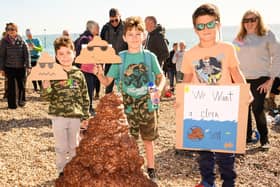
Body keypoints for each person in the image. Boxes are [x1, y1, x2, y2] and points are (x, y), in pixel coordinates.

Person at [181, 4, 249, 187]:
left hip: (224, 110)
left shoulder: (227, 49)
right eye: (201, 26)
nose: (206, 29)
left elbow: (236, 72)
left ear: (218, 25)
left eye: (210, 24)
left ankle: (228, 182)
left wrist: (245, 92)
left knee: (226, 151)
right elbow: (186, 81)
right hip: (201, 111)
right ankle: (207, 182)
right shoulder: (190, 54)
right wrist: (181, 102)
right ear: (195, 29)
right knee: (204, 152)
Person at [94, 16, 166, 182]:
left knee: (148, 139)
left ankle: (151, 169)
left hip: (148, 104)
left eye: (137, 33)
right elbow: (107, 82)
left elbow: (161, 77)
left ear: (144, 36)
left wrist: (159, 89)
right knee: (128, 141)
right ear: (124, 37)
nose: (134, 37)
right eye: (130, 34)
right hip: (127, 106)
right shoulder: (120, 58)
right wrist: (99, 74)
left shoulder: (150, 57)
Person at [41, 36, 90, 176]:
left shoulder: (78, 74)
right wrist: (46, 87)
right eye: (61, 54)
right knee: (61, 147)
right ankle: (62, 171)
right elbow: (46, 97)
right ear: (56, 56)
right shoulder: (53, 73)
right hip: (58, 116)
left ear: (74, 53)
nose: (65, 57)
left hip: (75, 117)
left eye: (68, 53)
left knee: (75, 146)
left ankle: (74, 170)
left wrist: (86, 116)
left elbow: (85, 96)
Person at [233, 9, 280, 149]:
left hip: (261, 79)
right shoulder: (240, 38)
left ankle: (264, 140)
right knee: (244, 108)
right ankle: (247, 137)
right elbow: (231, 56)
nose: (249, 23)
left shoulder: (267, 35)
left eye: (252, 19)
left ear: (259, 20)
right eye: (246, 20)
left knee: (258, 108)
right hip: (241, 78)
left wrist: (270, 80)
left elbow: (277, 57)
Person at [0, 23, 30, 109]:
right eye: (8, 29)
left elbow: (27, 55)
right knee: (11, 87)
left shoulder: (22, 41)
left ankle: (21, 102)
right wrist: (1, 69)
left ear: (16, 30)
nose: (10, 31)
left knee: (22, 86)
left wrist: (28, 66)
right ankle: (12, 105)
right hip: (9, 68)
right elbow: (1, 56)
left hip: (21, 67)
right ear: (7, 31)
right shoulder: (3, 41)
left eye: (12, 29)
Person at [75, 20, 100, 116]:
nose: (99, 29)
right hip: (85, 70)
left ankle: (88, 108)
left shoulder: (83, 37)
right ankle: (88, 109)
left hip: (87, 69)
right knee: (88, 89)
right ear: (92, 28)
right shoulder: (86, 39)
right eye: (98, 27)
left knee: (88, 89)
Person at [100, 8, 128, 94]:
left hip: (123, 60)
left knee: (125, 84)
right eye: (112, 21)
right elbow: (101, 46)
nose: (115, 22)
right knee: (108, 86)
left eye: (116, 20)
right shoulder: (105, 28)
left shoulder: (126, 27)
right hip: (109, 61)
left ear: (120, 16)